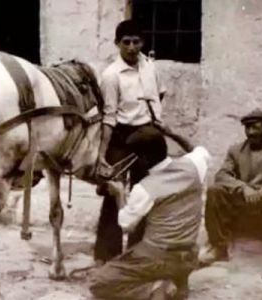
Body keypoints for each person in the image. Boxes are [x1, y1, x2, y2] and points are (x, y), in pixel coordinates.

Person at [90, 126, 210, 300]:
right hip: (189, 256)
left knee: (98, 281)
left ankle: (155, 290)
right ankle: (177, 281)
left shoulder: (145, 188)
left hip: (158, 258)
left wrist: (120, 195)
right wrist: (171, 133)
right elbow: (199, 150)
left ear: (145, 159)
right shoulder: (195, 166)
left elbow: (126, 225)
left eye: (134, 157)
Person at [95, 19, 167, 264]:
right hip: (122, 136)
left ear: (143, 42)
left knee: (146, 191)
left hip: (148, 136)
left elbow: (160, 94)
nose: (132, 47)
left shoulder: (150, 66)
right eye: (126, 42)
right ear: (117, 44)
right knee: (113, 192)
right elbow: (109, 116)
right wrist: (102, 154)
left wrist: (154, 121)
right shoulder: (111, 75)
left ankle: (139, 250)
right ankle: (106, 255)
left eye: (136, 42)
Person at [199, 109, 262, 282]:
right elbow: (222, 175)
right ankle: (218, 247)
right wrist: (242, 188)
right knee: (215, 191)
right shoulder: (236, 150)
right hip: (245, 199)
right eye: (247, 128)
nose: (250, 132)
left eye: (255, 127)